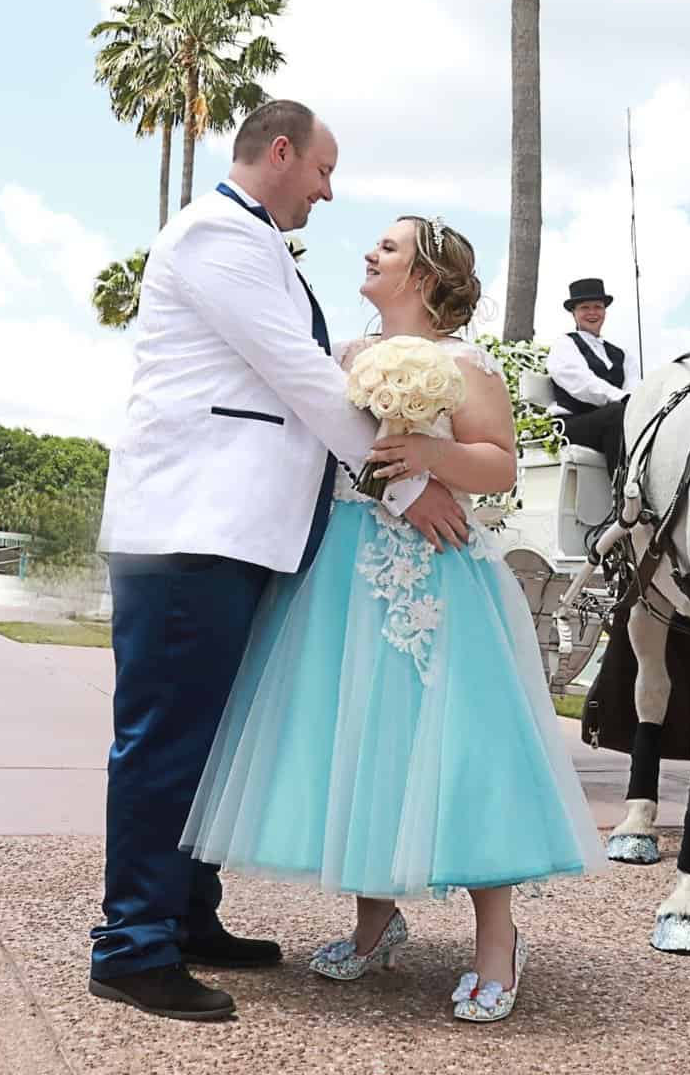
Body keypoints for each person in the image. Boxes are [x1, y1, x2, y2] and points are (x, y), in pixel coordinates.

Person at [90, 100, 472, 1023]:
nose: (329, 192)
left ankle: (188, 916)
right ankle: (132, 945)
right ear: (282, 150)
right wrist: (403, 483)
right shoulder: (220, 235)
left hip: (234, 533)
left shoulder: (252, 242)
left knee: (205, 737)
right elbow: (303, 380)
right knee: (164, 739)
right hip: (193, 528)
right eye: (323, 172)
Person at [182, 214, 606, 1025]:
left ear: (425, 276)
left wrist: (428, 457)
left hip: (436, 578)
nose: (371, 251)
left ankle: (496, 941)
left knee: (460, 751)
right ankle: (375, 922)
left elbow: (499, 464)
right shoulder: (340, 358)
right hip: (340, 574)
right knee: (356, 739)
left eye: (390, 246)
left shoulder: (462, 364)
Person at [545, 278, 639, 470]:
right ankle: (621, 492)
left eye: (597, 307)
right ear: (574, 313)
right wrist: (622, 399)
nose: (592, 313)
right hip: (571, 425)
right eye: (585, 307)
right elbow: (583, 384)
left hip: (614, 421)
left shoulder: (622, 354)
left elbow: (635, 385)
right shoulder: (564, 344)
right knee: (616, 414)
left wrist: (637, 403)